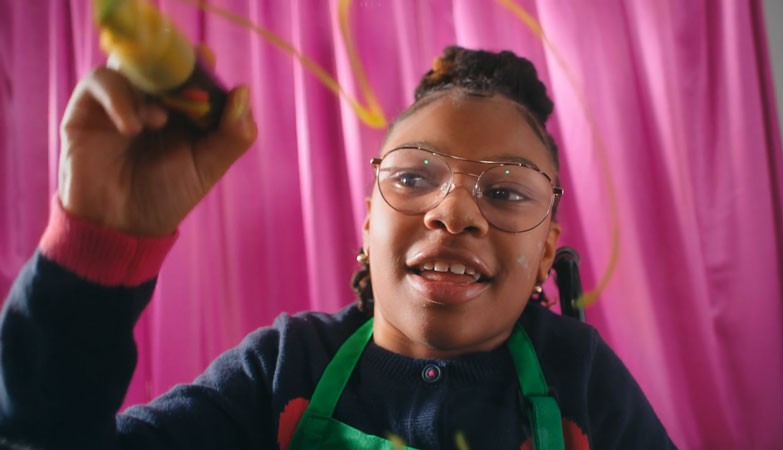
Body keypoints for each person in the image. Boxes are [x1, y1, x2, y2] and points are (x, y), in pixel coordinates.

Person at [0, 45, 676, 449]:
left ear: (548, 246)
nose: (453, 212)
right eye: (413, 178)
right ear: (368, 220)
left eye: (505, 192)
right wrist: (96, 247)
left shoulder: (582, 380)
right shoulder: (280, 371)